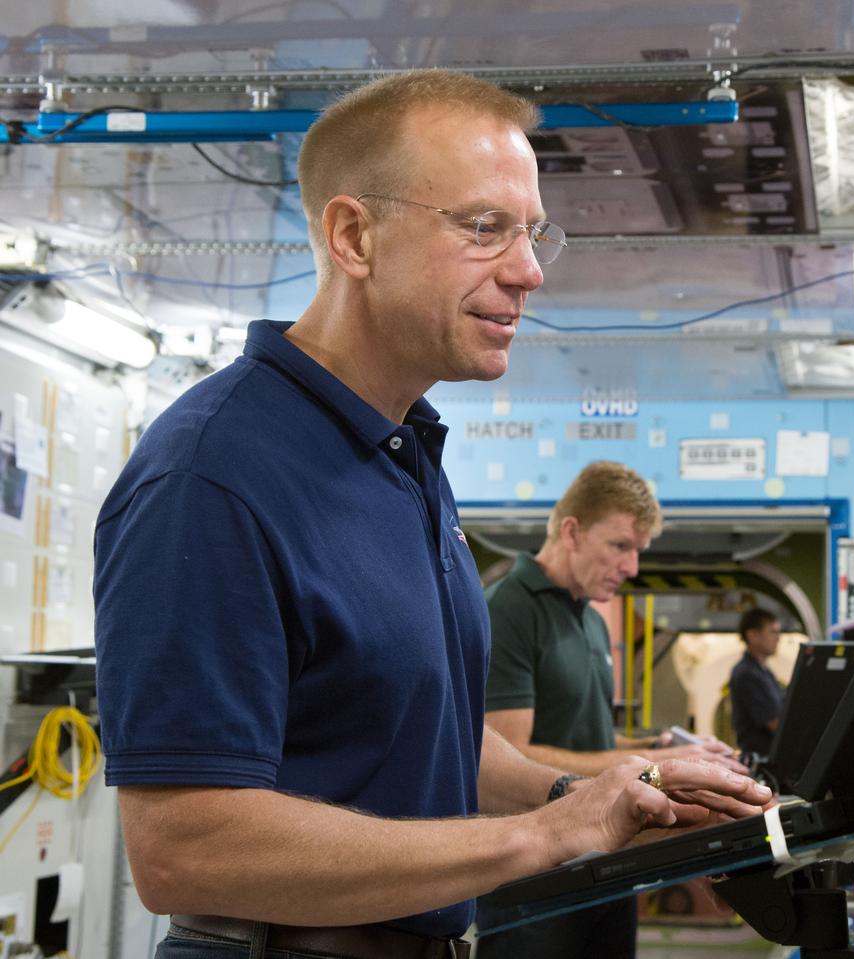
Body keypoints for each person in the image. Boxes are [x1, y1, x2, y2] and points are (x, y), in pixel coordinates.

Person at [92, 70, 771, 959]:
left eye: (532, 234)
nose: (528, 271)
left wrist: (606, 793)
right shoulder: (212, 475)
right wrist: (542, 838)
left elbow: (433, 741)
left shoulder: (404, 456)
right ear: (354, 235)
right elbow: (184, 849)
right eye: (483, 227)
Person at [478, 460, 745, 958]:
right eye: (620, 546)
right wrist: (656, 771)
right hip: (536, 877)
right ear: (572, 531)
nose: (632, 567)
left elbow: (590, 740)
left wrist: (659, 746)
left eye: (639, 551)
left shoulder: (591, 621)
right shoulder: (509, 609)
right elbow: (508, 755)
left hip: (605, 863)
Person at [728, 608, 787, 758]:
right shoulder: (747, 674)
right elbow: (775, 723)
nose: (778, 638)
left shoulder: (764, 672)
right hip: (761, 758)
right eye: (772, 632)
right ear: (753, 635)